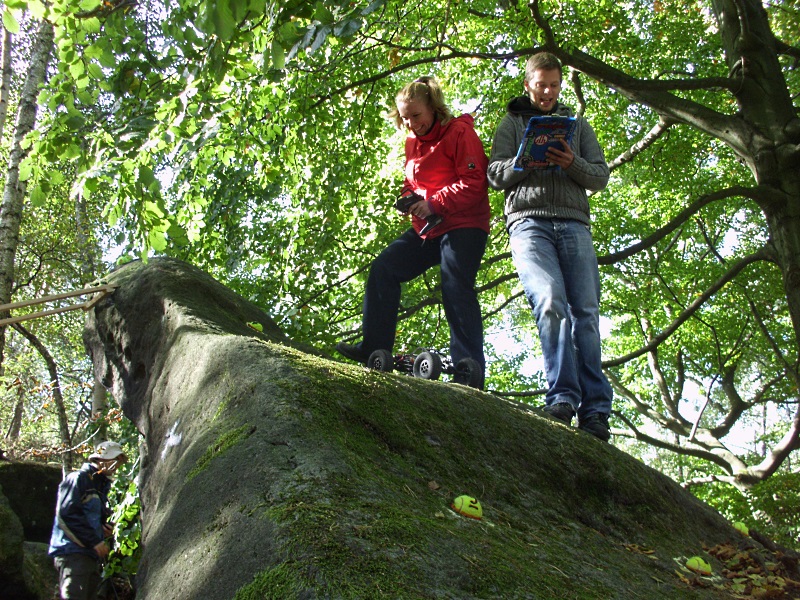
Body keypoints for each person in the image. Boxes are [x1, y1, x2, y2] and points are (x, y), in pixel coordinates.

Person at [487, 52, 613, 441]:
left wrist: (572, 162)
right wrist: (524, 162)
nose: (547, 92)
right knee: (549, 301)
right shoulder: (511, 123)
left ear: (560, 86)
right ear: (528, 84)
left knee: (586, 314)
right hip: (529, 223)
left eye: (554, 85)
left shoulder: (577, 126)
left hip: (575, 224)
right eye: (540, 85)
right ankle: (562, 397)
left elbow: (600, 175)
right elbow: (494, 173)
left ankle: (595, 411)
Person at [336, 76, 491, 388]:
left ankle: (468, 367)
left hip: (464, 225)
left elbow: (475, 182)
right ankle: (374, 349)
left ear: (433, 108)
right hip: (428, 229)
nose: (411, 124)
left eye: (416, 116)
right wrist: (410, 199)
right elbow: (414, 182)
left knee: (455, 284)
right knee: (384, 268)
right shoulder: (412, 142)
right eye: (404, 118)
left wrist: (434, 203)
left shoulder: (460, 133)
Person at [49, 440, 128, 599]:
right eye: (114, 459)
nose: (117, 465)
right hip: (73, 553)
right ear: (101, 460)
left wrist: (103, 528)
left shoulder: (100, 486)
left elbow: (89, 516)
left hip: (90, 556)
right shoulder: (79, 478)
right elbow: (67, 514)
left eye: (119, 461)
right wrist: (94, 541)